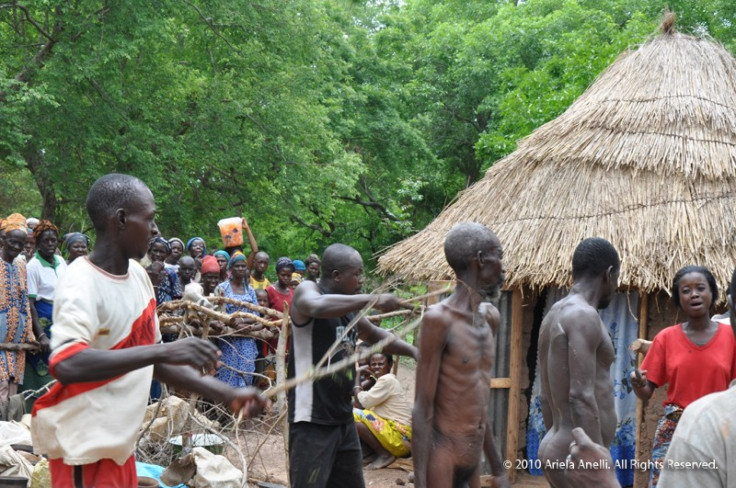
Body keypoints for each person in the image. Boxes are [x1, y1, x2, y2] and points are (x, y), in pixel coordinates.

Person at [30, 174, 266, 487]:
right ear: (122, 220)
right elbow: (67, 363)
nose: (155, 230)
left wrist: (225, 393)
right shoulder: (79, 280)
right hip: (84, 450)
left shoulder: (139, 279)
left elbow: (152, 362)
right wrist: (165, 349)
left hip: (119, 448)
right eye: (150, 219)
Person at [288, 243, 417, 488]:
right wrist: (374, 299)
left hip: (343, 419)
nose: (361, 279)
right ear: (336, 276)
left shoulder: (349, 308)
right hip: (311, 421)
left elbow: (374, 335)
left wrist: (414, 351)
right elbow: (314, 306)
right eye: (356, 274)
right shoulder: (308, 290)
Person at [413, 222, 510, 488]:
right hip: (443, 456)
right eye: (499, 257)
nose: (503, 267)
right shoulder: (439, 320)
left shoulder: (490, 317)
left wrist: (499, 469)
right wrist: (420, 483)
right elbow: (422, 407)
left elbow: (478, 399)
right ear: (480, 260)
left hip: (473, 458)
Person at [631, 265, 736, 488]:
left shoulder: (731, 337)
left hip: (719, 426)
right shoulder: (666, 338)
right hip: (674, 428)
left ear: (712, 294)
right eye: (686, 291)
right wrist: (639, 384)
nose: (694, 294)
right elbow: (646, 392)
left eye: (700, 288)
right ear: (679, 299)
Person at [537, 237, 620, 488]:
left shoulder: (554, 313)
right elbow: (581, 395)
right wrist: (596, 462)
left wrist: (559, 441)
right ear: (608, 274)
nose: (615, 287)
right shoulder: (584, 315)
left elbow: (544, 395)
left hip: (560, 443)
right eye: (616, 279)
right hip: (581, 454)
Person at [23, 220, 67, 409]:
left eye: (53, 240)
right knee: (46, 367)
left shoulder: (61, 261)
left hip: (62, 316)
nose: (50, 244)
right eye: (45, 241)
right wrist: (40, 334)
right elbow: (30, 304)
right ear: (38, 242)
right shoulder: (33, 266)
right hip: (43, 318)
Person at [353, 351, 412, 469]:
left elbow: (361, 402)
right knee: (359, 418)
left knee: (352, 414)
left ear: (390, 365)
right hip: (401, 439)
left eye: (380, 364)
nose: (376, 367)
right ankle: (372, 453)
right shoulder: (385, 380)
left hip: (399, 438)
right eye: (373, 364)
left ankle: (384, 455)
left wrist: (358, 375)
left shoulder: (386, 380)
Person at [214, 251, 262, 387]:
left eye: (243, 266)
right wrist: (233, 323)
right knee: (227, 375)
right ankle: (225, 407)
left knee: (245, 375)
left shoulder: (250, 290)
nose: (241, 269)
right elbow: (219, 313)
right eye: (237, 266)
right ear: (231, 268)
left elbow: (256, 315)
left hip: (247, 339)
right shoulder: (222, 288)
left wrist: (242, 324)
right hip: (228, 340)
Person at [0, 214, 34, 403]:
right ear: (3, 240)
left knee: (13, 390)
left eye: (21, 244)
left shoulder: (21, 265)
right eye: (13, 242)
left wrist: (30, 333)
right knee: (2, 387)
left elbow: (25, 302)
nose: (17, 247)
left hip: (17, 343)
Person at [146, 237, 183, 306]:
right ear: (150, 252)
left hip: (166, 312)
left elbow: (177, 297)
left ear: (167, 254)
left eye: (162, 252)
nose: (158, 254)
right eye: (155, 250)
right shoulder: (144, 272)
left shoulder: (171, 274)